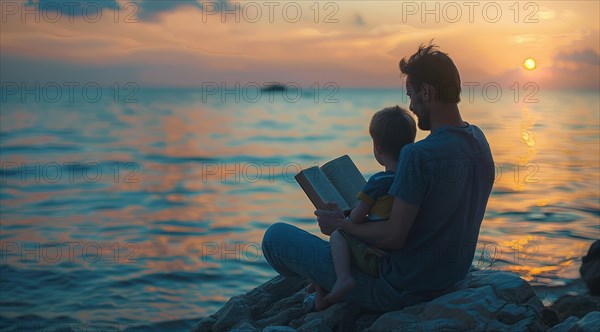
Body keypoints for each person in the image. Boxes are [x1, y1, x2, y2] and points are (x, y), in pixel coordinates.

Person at [262, 43, 495, 312]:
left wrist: (342, 224)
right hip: (450, 276)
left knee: (275, 237)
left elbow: (393, 238)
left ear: (427, 92)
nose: (411, 105)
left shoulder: (417, 155)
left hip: (398, 287)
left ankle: (330, 283)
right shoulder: (479, 140)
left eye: (411, 95)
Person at [308, 106, 417, 311]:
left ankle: (343, 278)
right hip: (393, 253)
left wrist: (345, 219)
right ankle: (320, 287)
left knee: (338, 235)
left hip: (375, 254)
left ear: (378, 149)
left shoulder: (378, 181)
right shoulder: (410, 179)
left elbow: (357, 218)